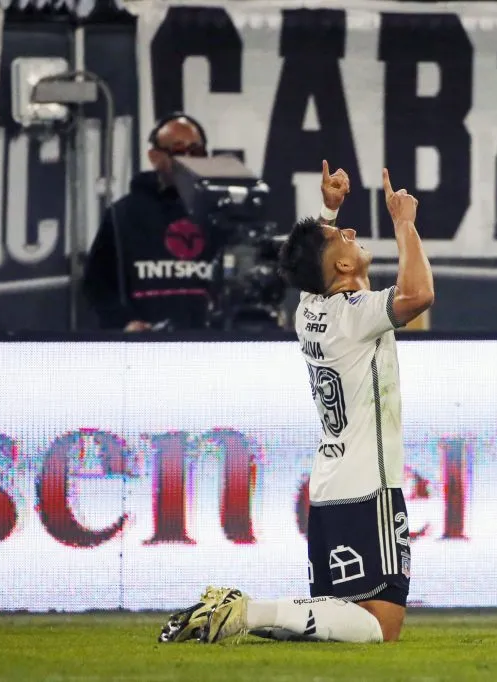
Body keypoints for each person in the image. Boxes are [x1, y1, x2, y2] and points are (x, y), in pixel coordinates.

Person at [157, 162, 434, 645]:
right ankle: (243, 611)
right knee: (379, 626)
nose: (350, 230)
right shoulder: (355, 314)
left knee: (336, 621)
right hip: (370, 483)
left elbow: (308, 265)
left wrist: (327, 209)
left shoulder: (310, 310)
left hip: (330, 483)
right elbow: (419, 294)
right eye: (342, 235)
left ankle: (244, 616)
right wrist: (404, 222)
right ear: (344, 268)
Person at [83, 113, 216, 331]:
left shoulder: (219, 213)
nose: (189, 159)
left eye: (197, 151)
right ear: (154, 156)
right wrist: (125, 323)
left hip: (216, 347)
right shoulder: (122, 215)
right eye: (179, 150)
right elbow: (96, 284)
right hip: (145, 349)